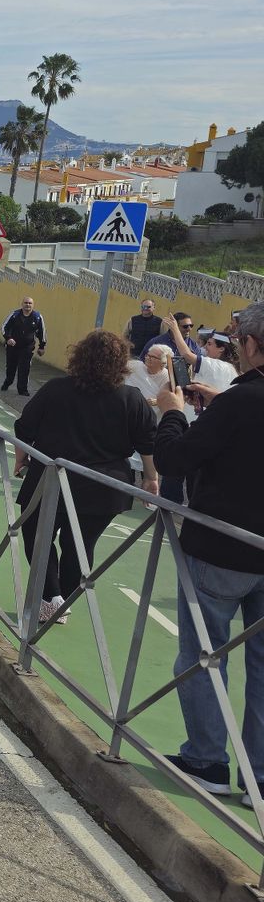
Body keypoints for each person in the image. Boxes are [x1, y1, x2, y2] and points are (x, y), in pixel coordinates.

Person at [152, 302, 264, 800]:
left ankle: (207, 762)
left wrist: (174, 414)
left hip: (222, 546)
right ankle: (259, 776)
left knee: (202, 655)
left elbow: (176, 458)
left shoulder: (240, 403)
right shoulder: (237, 401)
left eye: (240, 340)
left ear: (253, 345)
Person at [13, 330, 158, 625]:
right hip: (104, 486)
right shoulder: (132, 398)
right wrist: (151, 478)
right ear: (121, 364)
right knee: (81, 543)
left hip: (50, 480)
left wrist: (21, 459)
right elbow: (147, 444)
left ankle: (50, 598)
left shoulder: (56, 389)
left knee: (37, 536)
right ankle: (61, 602)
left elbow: (24, 428)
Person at [0, 297, 47, 396]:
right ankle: (8, 382)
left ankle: (22, 390)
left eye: (30, 303)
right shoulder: (14, 315)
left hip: (27, 348)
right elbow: (4, 327)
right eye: (26, 303)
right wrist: (8, 338)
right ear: (22, 304)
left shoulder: (37, 317)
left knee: (24, 368)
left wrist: (42, 346)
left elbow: (42, 332)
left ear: (33, 305)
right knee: (11, 367)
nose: (28, 305)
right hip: (13, 347)